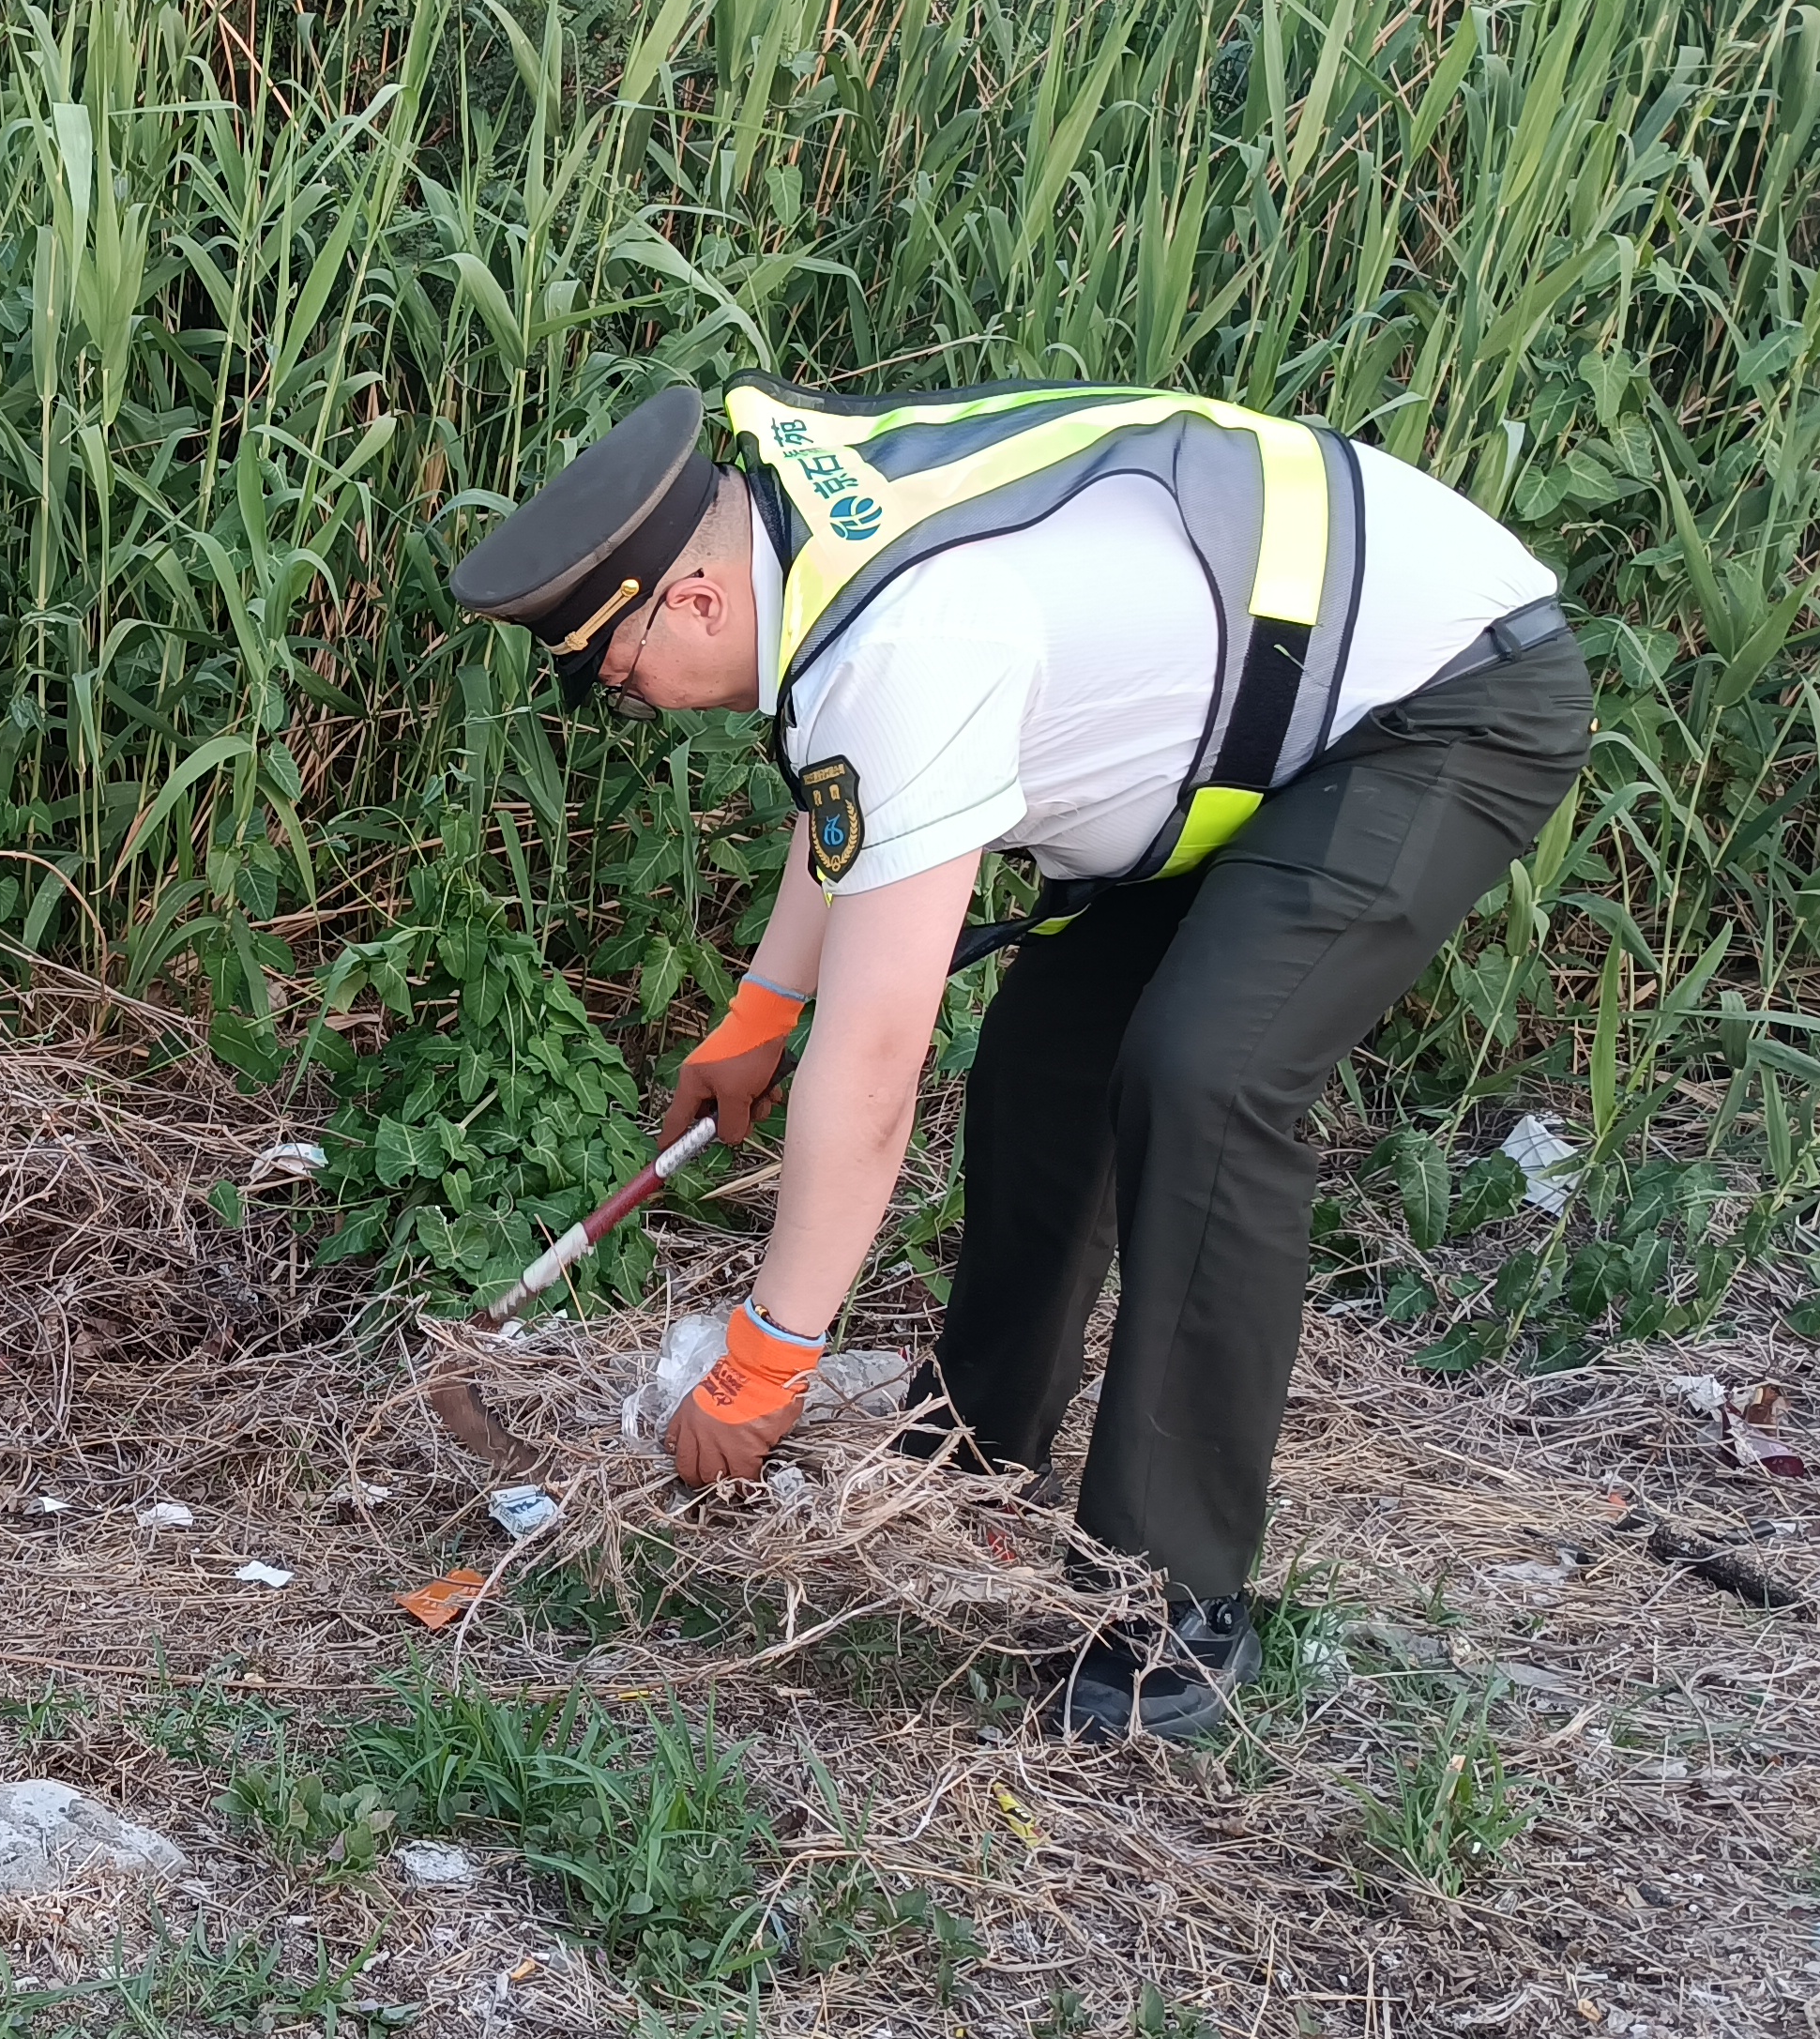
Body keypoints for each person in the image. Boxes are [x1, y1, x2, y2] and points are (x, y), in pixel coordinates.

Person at [448, 378, 1588, 1740]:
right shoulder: (799, 540)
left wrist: (769, 1355)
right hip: (1240, 719)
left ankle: (1173, 1607)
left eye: (612, 674)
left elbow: (875, 1067)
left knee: (1207, 1080)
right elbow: (854, 779)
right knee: (1046, 1065)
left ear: (691, 600)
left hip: (1435, 699)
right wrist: (761, 1008)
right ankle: (975, 1456)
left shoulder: (909, 634)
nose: (628, 700)